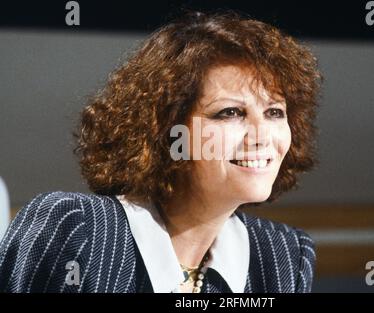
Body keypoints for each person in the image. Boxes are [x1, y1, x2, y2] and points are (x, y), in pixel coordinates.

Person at [0, 10, 321, 293]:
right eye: (230, 113)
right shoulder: (76, 230)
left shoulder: (282, 258)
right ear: (168, 130)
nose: (262, 136)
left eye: (275, 113)